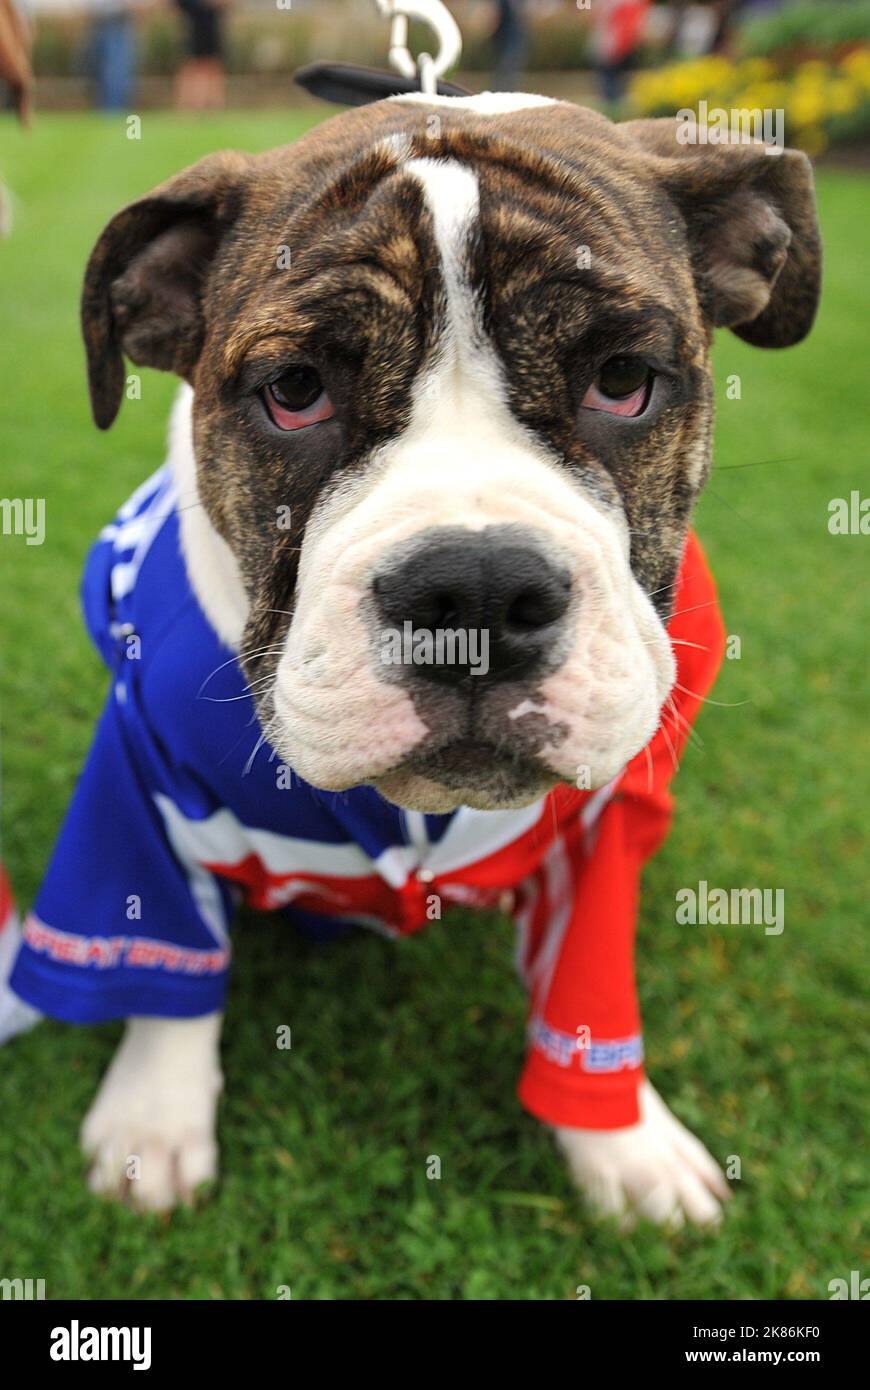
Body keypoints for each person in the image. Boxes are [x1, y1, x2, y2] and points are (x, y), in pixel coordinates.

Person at [591, 0, 649, 107]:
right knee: (615, 83)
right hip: (619, 46)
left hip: (612, 47)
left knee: (611, 84)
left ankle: (613, 106)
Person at [173, 0, 228, 110]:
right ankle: (191, 105)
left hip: (211, 26)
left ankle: (213, 105)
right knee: (194, 67)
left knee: (213, 66)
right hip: (195, 27)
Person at [492, 0, 528, 92]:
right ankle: (503, 92)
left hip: (510, 41)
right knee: (506, 71)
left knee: (507, 71)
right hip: (507, 41)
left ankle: (504, 91)